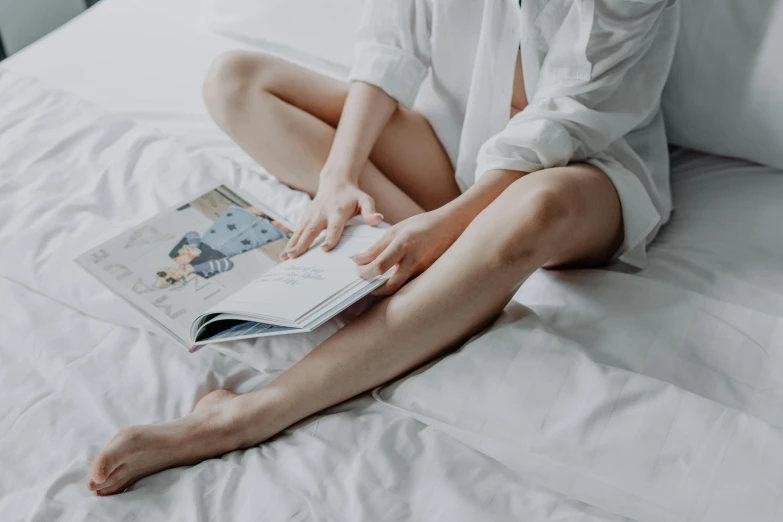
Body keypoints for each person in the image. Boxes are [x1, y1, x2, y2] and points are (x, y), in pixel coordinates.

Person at [87, 0, 679, 495]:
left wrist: (446, 225)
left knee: (536, 207)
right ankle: (457, 284)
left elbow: (566, 120)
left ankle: (248, 415)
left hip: (582, 170)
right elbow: (392, 43)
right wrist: (338, 176)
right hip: (459, 142)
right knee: (236, 81)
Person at [154, 205, 288, 288]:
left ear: (164, 269)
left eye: (162, 274)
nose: (169, 275)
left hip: (218, 232)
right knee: (278, 228)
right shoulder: (203, 273)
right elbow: (227, 264)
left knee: (254, 211)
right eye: (170, 280)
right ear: (177, 281)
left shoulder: (176, 255)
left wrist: (191, 247)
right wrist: (194, 268)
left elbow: (192, 234)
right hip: (237, 246)